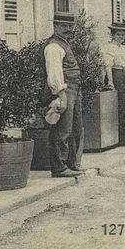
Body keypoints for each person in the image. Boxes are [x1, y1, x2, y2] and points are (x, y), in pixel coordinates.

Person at [43, 15, 85, 178]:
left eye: (70, 26)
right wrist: (61, 95)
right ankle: (59, 167)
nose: (69, 30)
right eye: (64, 26)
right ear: (55, 26)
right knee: (62, 129)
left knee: (75, 127)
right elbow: (54, 74)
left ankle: (71, 164)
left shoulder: (63, 43)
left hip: (74, 89)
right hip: (64, 90)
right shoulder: (53, 46)